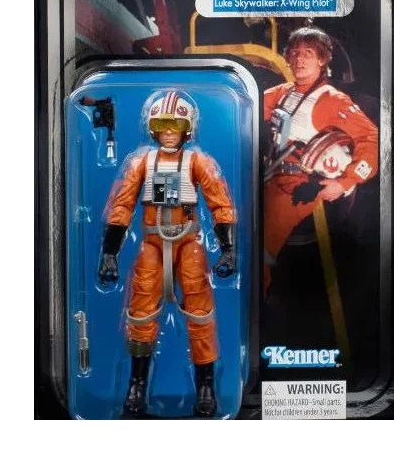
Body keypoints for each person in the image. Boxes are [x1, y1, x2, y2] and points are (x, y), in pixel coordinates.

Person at [98, 90, 236, 418]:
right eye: (163, 124)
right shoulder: (141, 163)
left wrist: (228, 250)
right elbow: (122, 205)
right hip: (152, 244)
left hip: (189, 243)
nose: (170, 131)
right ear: (153, 128)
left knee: (200, 313)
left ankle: (205, 385)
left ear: (188, 128)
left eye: (177, 124)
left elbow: (220, 204)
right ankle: (137, 384)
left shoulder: (198, 162)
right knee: (140, 312)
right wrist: (110, 253)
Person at [263, 27, 378, 290]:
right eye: (294, 53)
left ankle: (254, 301)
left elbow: (371, 139)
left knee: (255, 246)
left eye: (308, 53)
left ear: (322, 60)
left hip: (298, 187)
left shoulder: (333, 100)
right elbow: (250, 104)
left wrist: (345, 182)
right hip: (271, 174)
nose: (299, 59)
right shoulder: (285, 92)